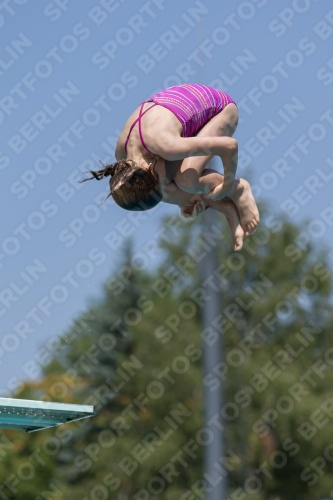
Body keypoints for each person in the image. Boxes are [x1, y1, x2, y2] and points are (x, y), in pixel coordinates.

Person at [83, 83, 259, 251]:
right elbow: (159, 183)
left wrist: (227, 185)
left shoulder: (166, 146)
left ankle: (239, 190)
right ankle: (225, 207)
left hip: (220, 109)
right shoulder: (124, 159)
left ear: (151, 170)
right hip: (176, 117)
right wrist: (182, 200)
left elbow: (229, 146)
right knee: (167, 190)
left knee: (186, 180)